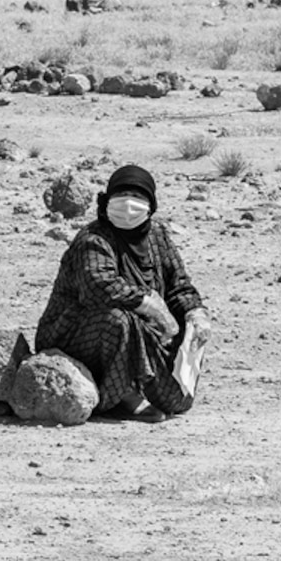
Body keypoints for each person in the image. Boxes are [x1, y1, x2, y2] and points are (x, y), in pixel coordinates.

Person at [35, 163, 213, 420]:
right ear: (107, 200)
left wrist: (195, 312)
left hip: (144, 333)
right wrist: (148, 303)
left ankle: (139, 384)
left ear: (151, 204)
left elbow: (178, 285)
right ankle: (119, 397)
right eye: (121, 196)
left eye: (138, 197)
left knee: (177, 399)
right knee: (118, 319)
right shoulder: (93, 239)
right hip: (73, 333)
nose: (129, 204)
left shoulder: (158, 236)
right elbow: (98, 288)